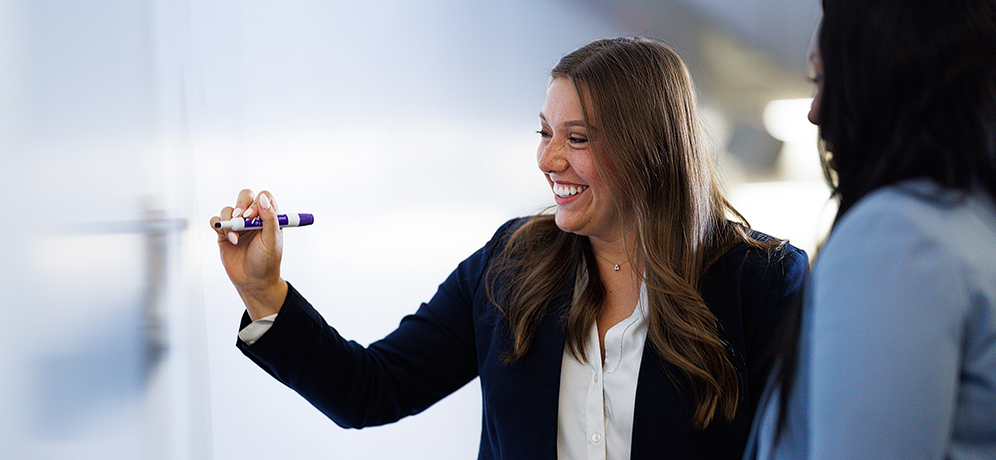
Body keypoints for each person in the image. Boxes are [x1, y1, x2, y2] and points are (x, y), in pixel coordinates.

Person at [212, 37, 808, 460]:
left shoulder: (759, 280)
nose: (549, 161)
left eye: (577, 139)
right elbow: (372, 387)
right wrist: (263, 291)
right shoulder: (510, 264)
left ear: (652, 149)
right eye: (545, 133)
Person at [745, 1, 996, 459]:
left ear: (883, 79)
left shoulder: (896, 236)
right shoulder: (974, 220)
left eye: (823, 80)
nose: (815, 113)